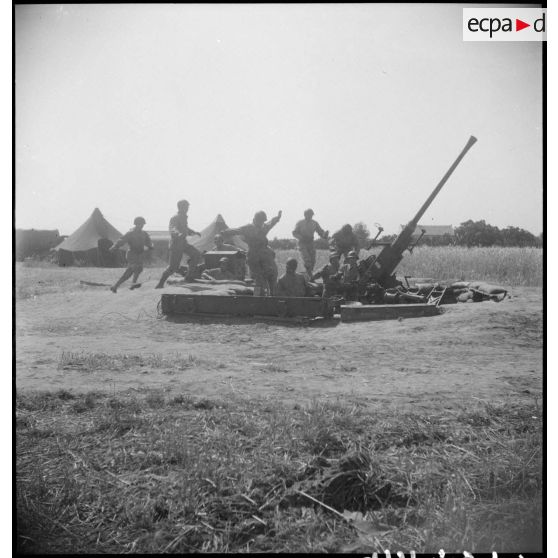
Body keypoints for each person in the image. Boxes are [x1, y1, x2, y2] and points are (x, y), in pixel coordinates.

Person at [222, 210, 282, 296]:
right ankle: (258, 299)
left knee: (273, 274)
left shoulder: (264, 227)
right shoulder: (248, 228)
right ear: (255, 219)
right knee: (259, 280)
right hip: (254, 255)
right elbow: (237, 230)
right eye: (260, 221)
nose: (262, 223)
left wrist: (277, 218)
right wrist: (225, 232)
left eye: (263, 221)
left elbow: (271, 223)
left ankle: (273, 296)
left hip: (264, 254)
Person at [156, 200, 202, 288]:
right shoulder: (175, 217)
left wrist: (194, 232)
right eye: (186, 206)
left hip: (183, 243)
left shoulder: (183, 217)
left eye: (188, 206)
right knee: (173, 267)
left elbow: (185, 228)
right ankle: (160, 283)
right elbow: (172, 228)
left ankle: (189, 277)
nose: (188, 208)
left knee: (196, 255)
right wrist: (177, 233)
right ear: (181, 207)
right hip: (176, 244)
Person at [109, 216, 153, 292]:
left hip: (140, 254)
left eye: (142, 224)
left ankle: (115, 286)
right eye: (140, 224)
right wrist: (114, 246)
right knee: (136, 268)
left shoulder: (144, 233)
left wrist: (151, 246)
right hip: (132, 254)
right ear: (136, 224)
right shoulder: (130, 233)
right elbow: (121, 240)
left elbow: (148, 242)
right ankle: (133, 284)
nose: (142, 225)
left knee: (131, 272)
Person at [292, 209, 329, 277]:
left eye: (311, 215)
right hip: (302, 243)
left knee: (313, 260)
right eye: (309, 215)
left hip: (311, 243)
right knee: (307, 259)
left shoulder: (314, 223)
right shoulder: (300, 223)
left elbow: (320, 232)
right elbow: (294, 233)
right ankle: (309, 275)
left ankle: (307, 274)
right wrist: (301, 237)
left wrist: (325, 235)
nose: (310, 216)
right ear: (305, 215)